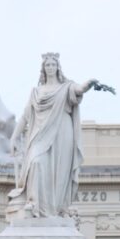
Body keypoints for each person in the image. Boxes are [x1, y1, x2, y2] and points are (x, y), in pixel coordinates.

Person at [9, 52, 103, 218]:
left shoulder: (66, 87)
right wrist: (14, 137)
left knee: (59, 173)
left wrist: (89, 83)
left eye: (53, 65)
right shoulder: (35, 92)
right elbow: (25, 116)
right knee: (36, 162)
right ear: (43, 69)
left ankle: (57, 209)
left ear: (58, 67)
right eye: (47, 65)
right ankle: (35, 204)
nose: (50, 68)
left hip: (62, 133)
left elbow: (80, 89)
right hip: (40, 134)